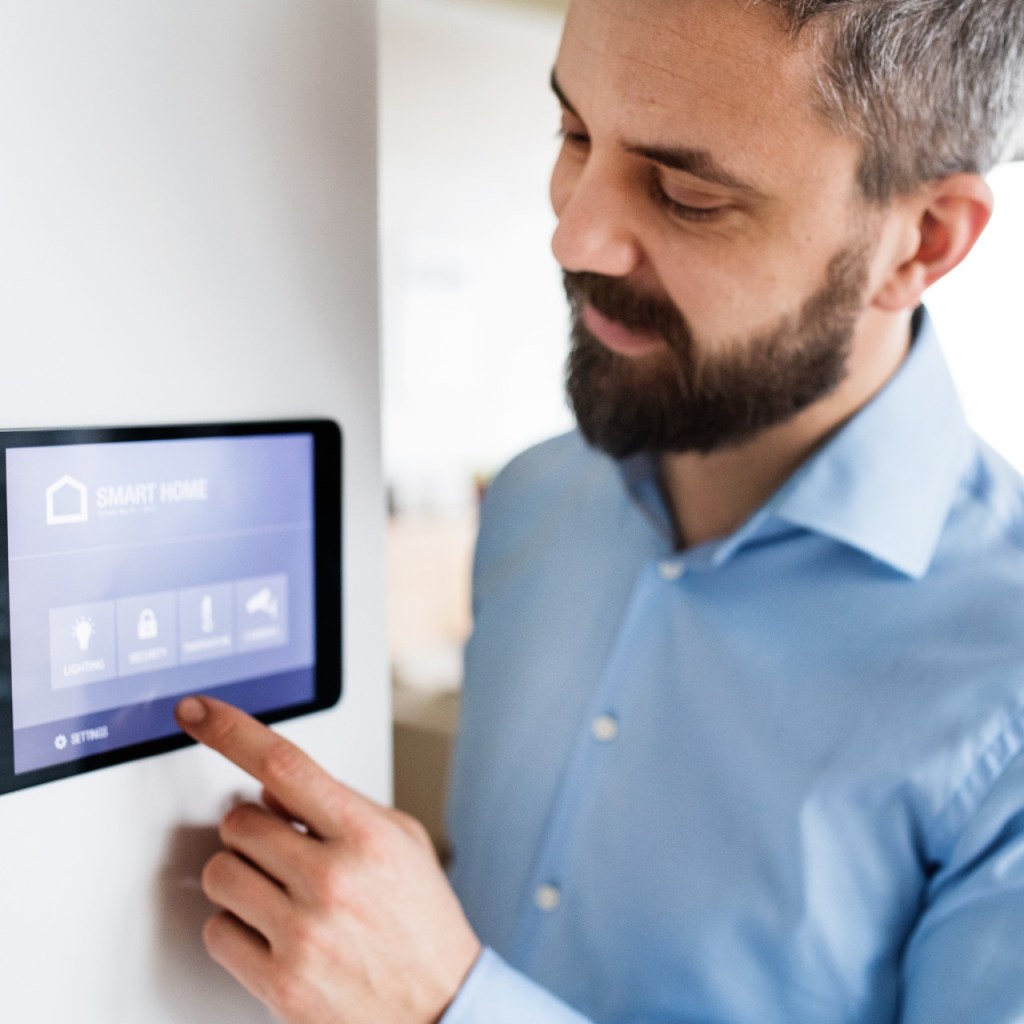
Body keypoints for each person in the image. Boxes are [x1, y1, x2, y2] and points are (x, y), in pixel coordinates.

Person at [175, 0, 1024, 1021]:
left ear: (921, 241)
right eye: (573, 132)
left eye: (685, 193)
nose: (572, 233)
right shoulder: (536, 499)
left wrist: (448, 1004)